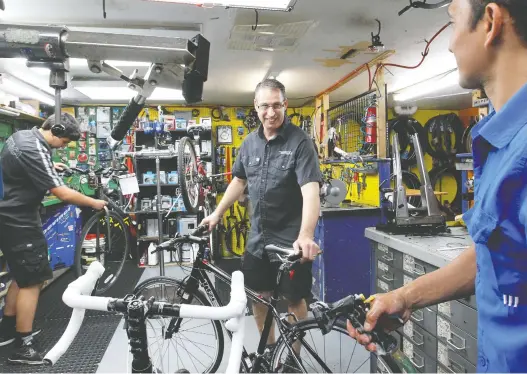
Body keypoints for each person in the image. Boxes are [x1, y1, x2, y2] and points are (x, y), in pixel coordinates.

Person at [347, 0, 527, 372]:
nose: (449, 43)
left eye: (453, 22)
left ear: (490, 21)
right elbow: (492, 256)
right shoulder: (501, 139)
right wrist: (404, 296)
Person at [200, 79, 322, 362]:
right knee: (260, 296)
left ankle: (292, 357)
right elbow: (239, 181)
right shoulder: (249, 143)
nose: (271, 112)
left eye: (276, 105)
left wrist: (305, 234)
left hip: (289, 241)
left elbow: (310, 191)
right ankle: (269, 352)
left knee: (294, 299)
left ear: (285, 105)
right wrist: (217, 213)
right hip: (257, 240)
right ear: (256, 107)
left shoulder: (300, 143)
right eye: (265, 105)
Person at [0, 113, 107, 364]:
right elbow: (62, 193)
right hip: (19, 220)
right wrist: (94, 202)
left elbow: (20, 166)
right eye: (66, 142)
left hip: (8, 216)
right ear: (56, 131)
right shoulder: (36, 149)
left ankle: (7, 330)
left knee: (21, 274)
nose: (65, 147)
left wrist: (50, 168)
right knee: (33, 280)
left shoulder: (21, 137)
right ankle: (24, 348)